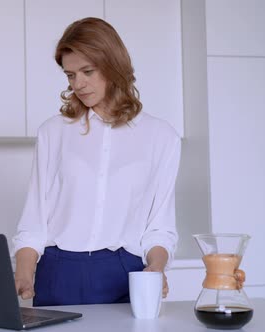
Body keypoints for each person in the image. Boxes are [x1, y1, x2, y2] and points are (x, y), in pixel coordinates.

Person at [12, 17, 181, 306]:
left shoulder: (161, 136)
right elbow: (34, 221)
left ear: (113, 65)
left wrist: (156, 268)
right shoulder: (53, 132)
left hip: (125, 272)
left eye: (87, 71)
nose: (78, 84)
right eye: (70, 75)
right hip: (57, 271)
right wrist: (24, 273)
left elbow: (160, 227)